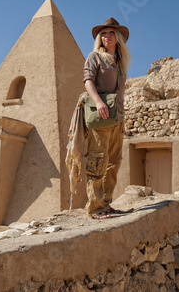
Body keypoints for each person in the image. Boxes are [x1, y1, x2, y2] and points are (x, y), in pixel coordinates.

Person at [67, 17, 131, 219]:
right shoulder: (94, 57)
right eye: (104, 33)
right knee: (98, 161)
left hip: (117, 119)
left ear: (118, 37)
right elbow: (87, 80)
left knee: (114, 163)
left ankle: (106, 203)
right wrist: (99, 102)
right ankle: (94, 208)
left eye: (111, 33)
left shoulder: (120, 62)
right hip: (101, 115)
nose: (107, 36)